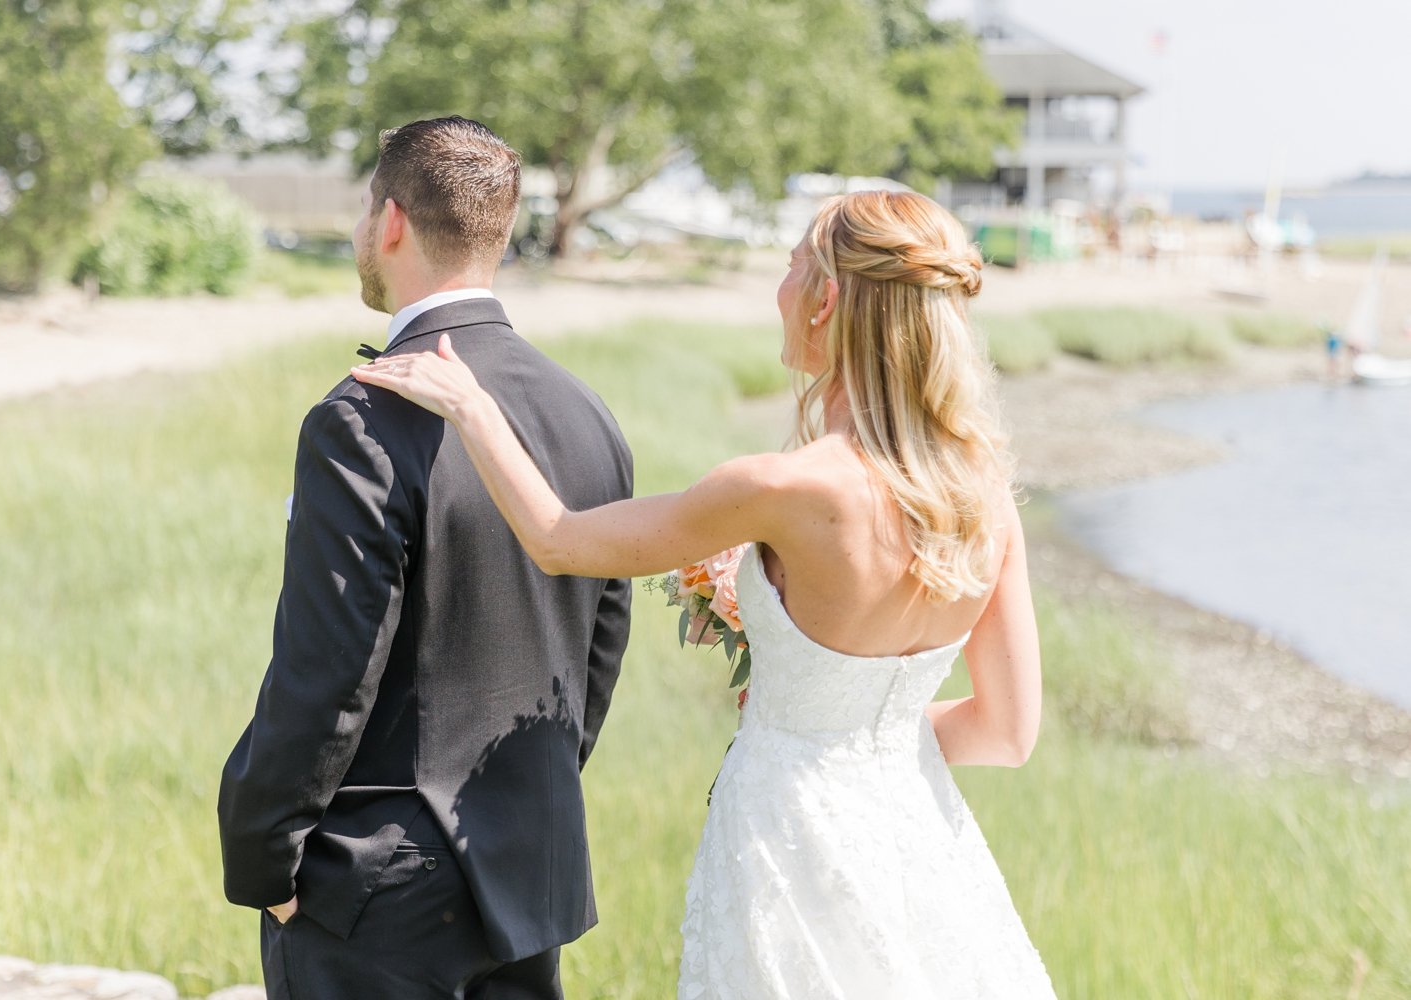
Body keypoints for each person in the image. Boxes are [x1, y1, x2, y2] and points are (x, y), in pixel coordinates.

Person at [352, 190, 1057, 997]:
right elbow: (1006, 733)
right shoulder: (985, 499)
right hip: (920, 839)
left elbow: (557, 540)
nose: (782, 287)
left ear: (827, 299)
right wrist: (844, 722)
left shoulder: (782, 486)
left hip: (789, 840)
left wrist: (473, 408)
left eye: (793, 265)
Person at [217, 117, 634, 999]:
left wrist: (267, 865)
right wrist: (528, 805)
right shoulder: (586, 414)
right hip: (526, 869)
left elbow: (328, 669)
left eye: (367, 210)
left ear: (392, 221)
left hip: (374, 894)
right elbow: (598, 651)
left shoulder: (359, 421)